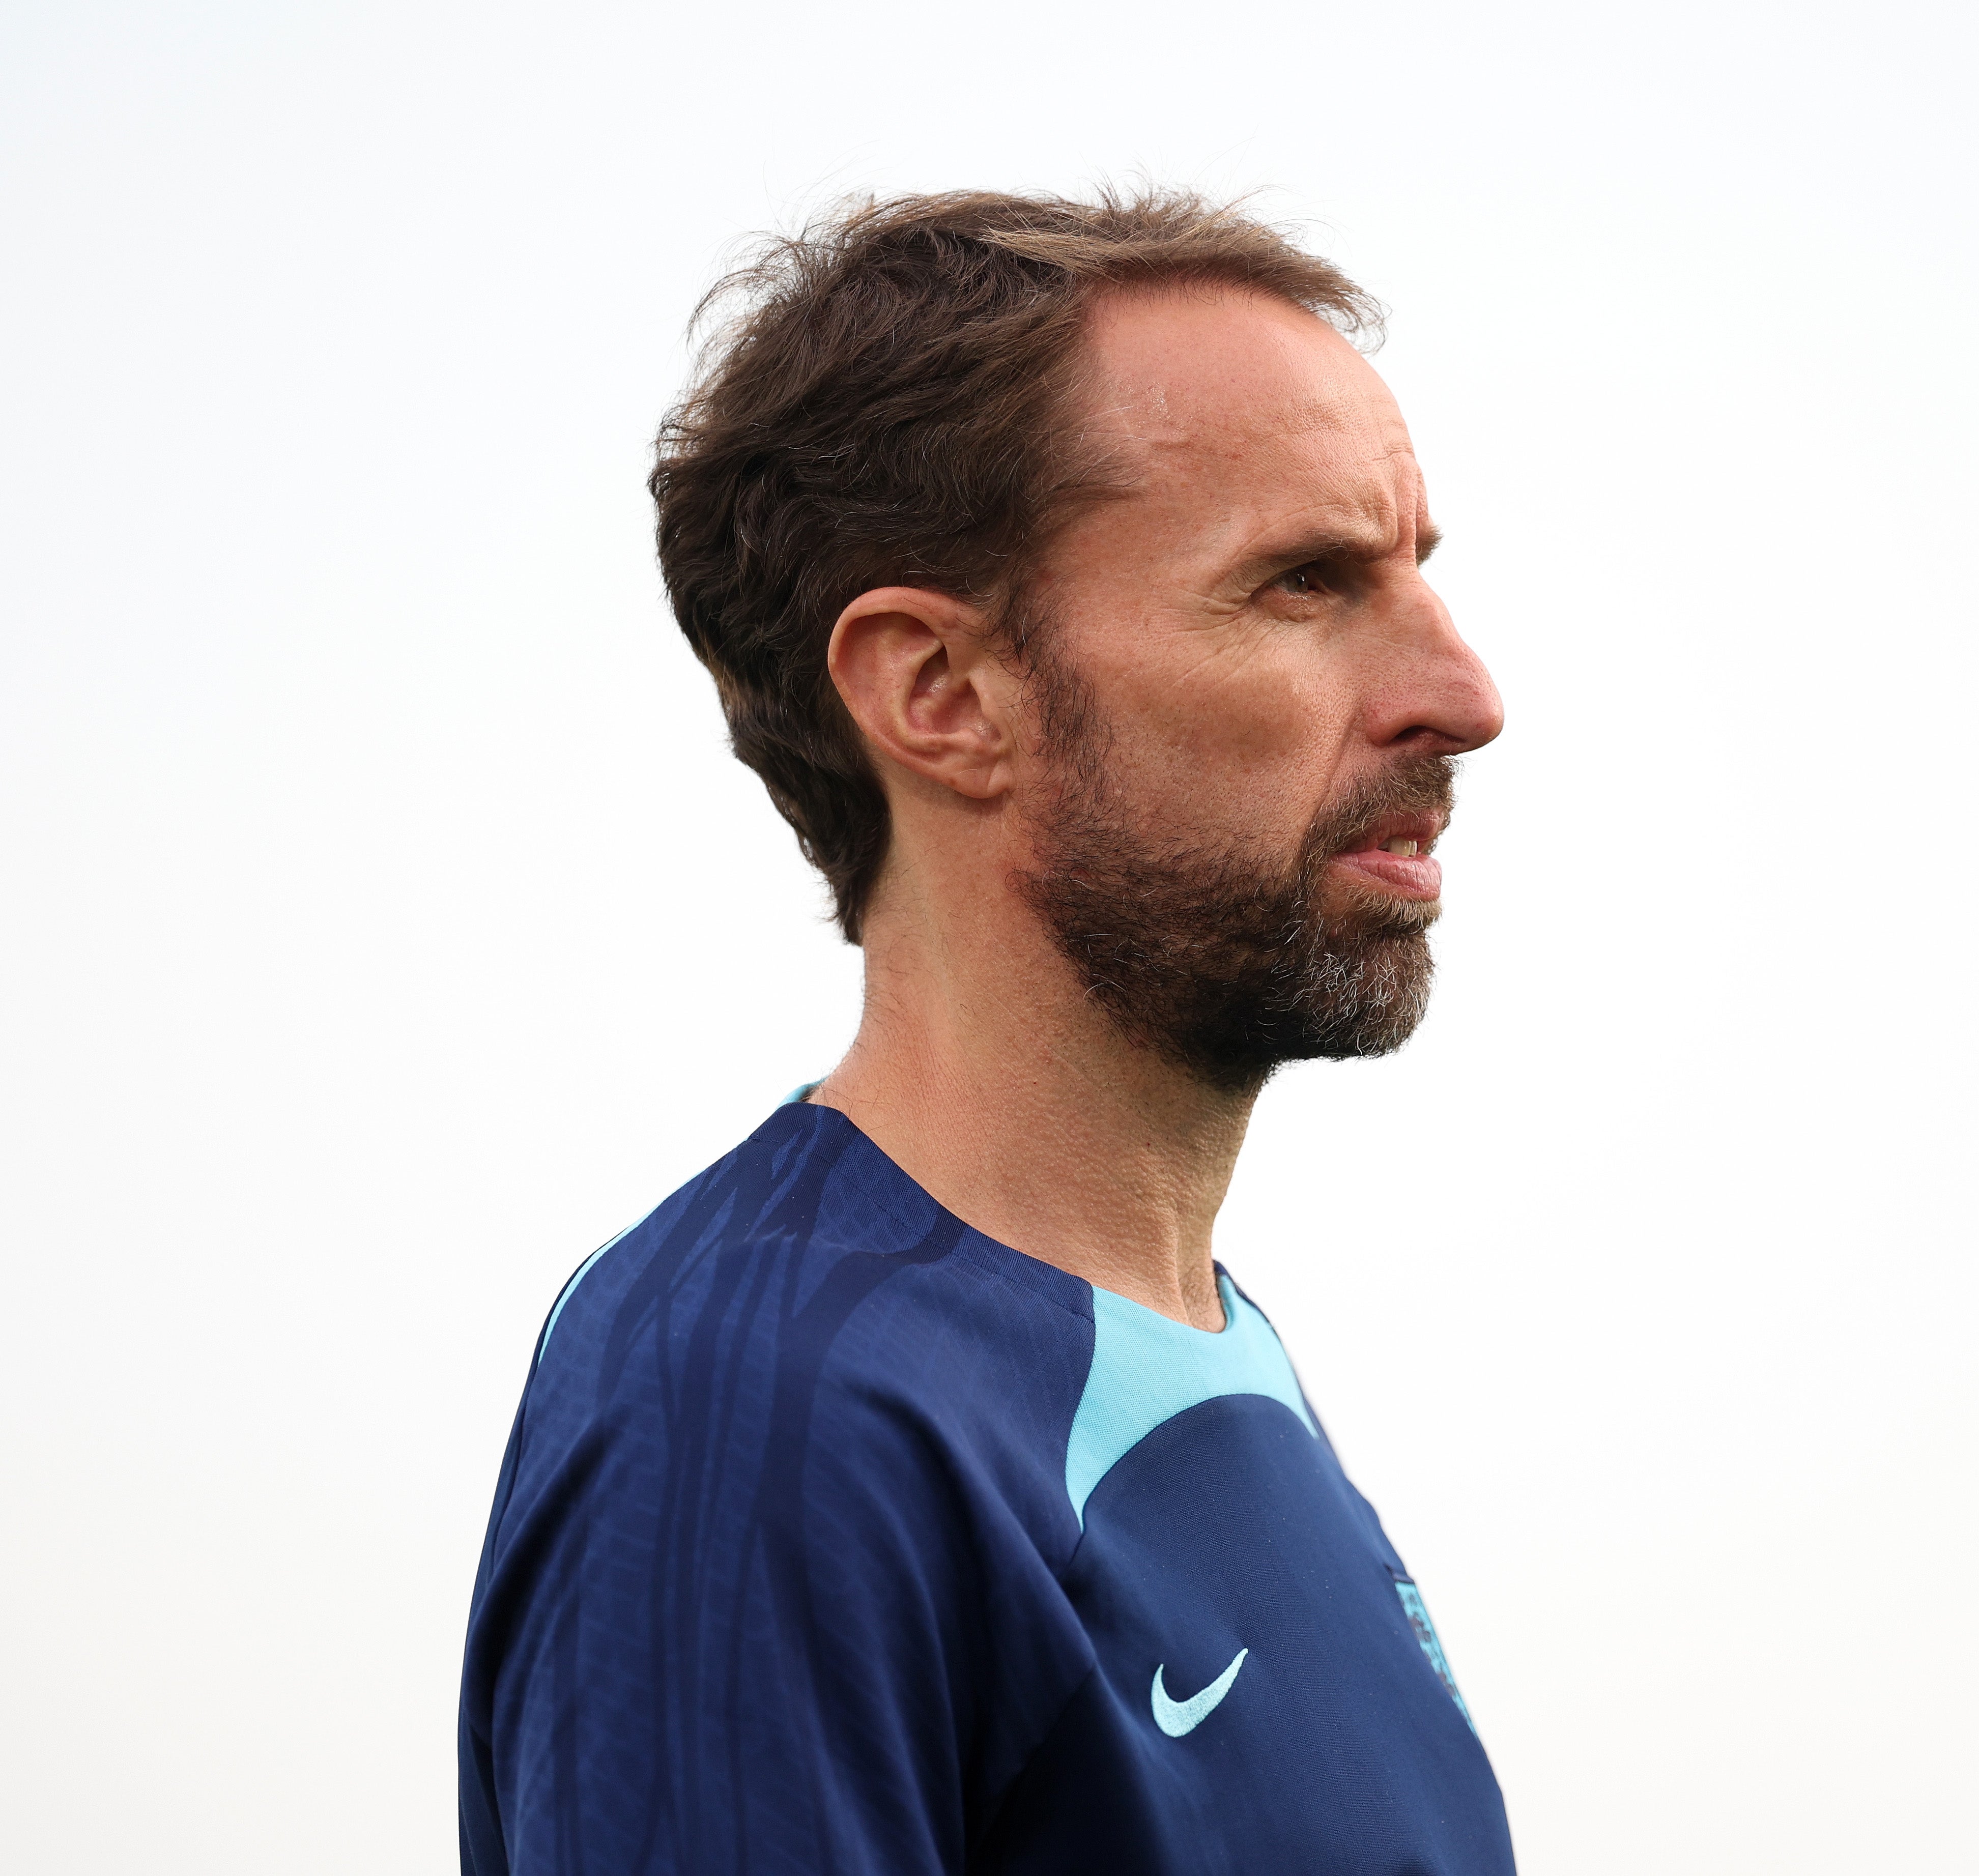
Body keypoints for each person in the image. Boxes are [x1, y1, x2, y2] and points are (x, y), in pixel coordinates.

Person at [455, 190, 1511, 1874]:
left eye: (1416, 574)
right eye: (1303, 585)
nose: (1461, 696)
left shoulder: (1199, 1360)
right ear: (938, 694)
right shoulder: (768, 1413)